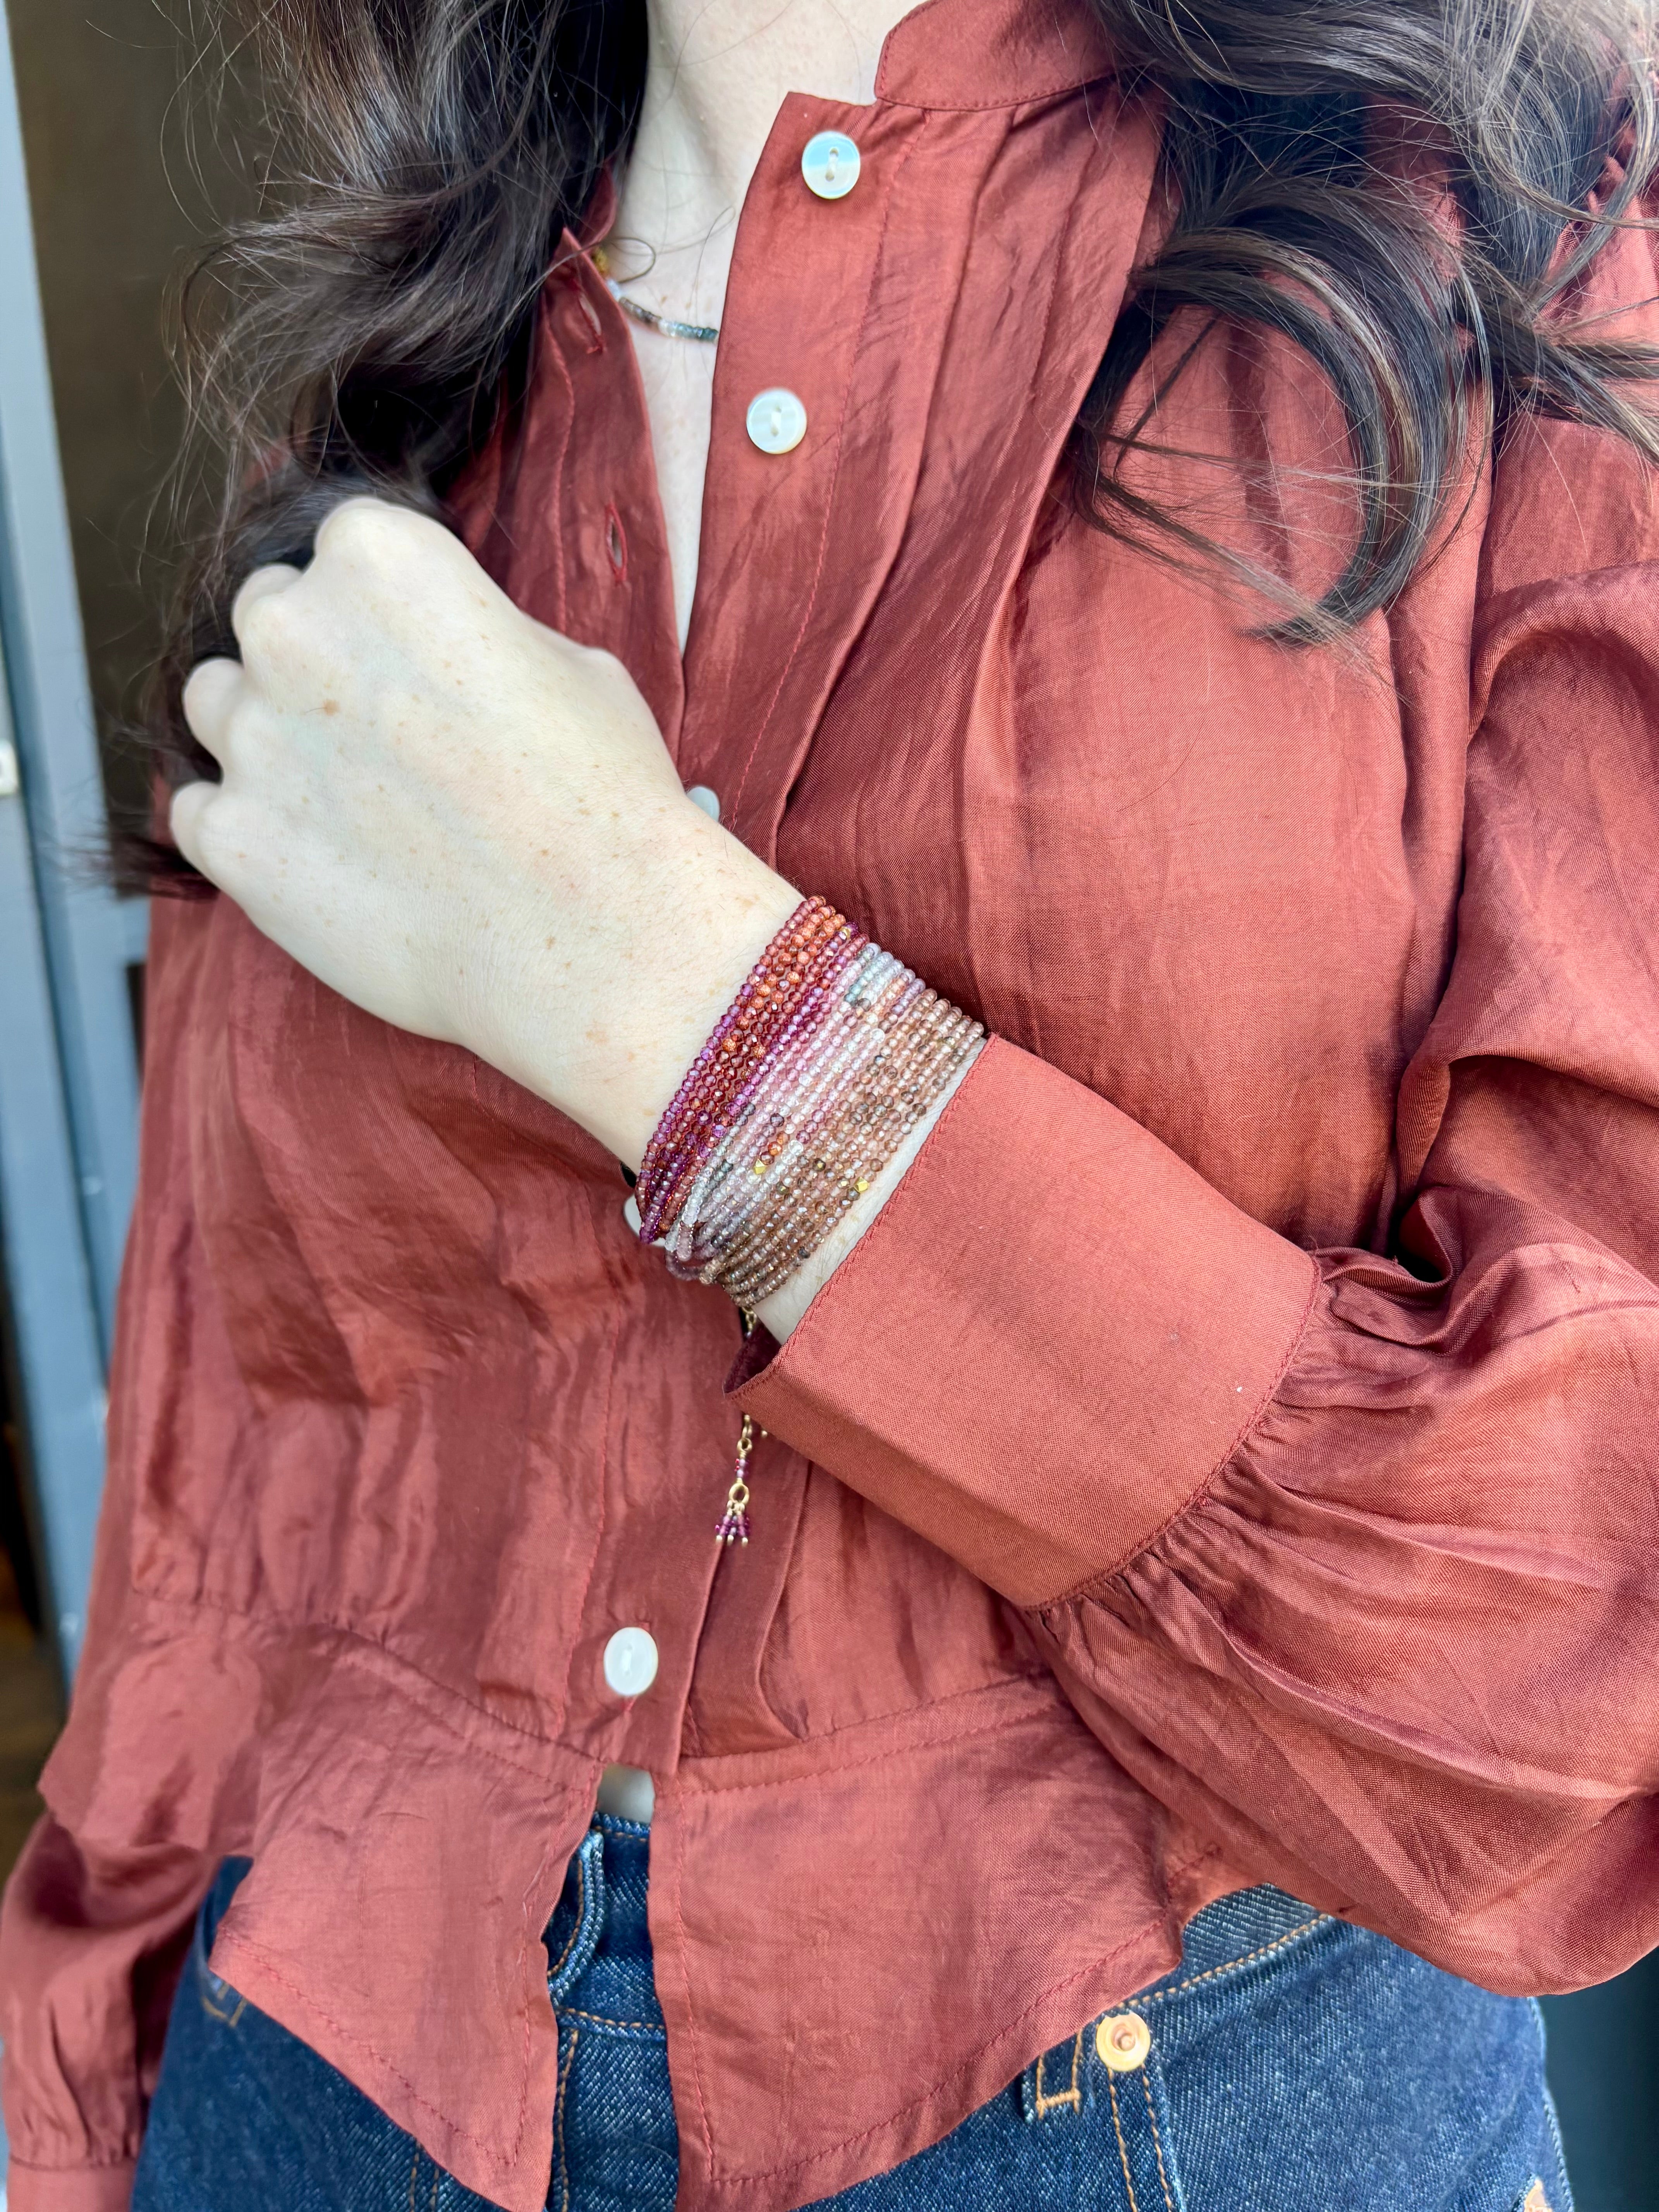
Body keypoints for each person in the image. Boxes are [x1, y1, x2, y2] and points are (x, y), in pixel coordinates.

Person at [5, 0, 1659, 2202]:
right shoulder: (400, 365)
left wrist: (680, 1006)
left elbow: (1585, 1622)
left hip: (1163, 2086)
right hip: (314, 2071)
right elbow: (249, 1446)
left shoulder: (1513, 243)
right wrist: (68, 2090)